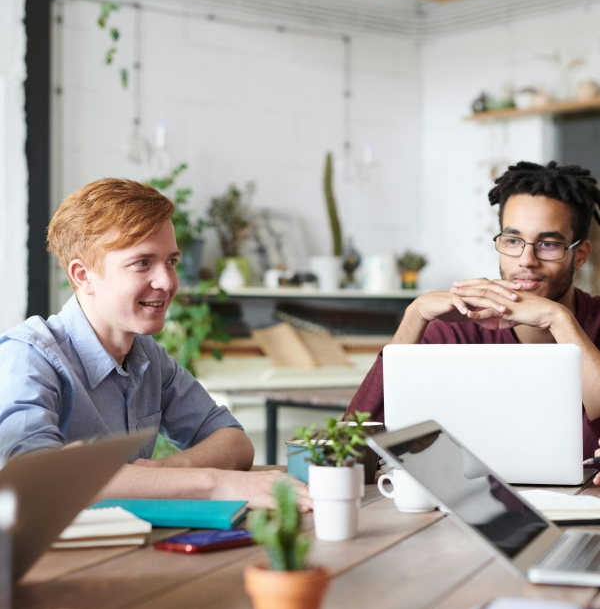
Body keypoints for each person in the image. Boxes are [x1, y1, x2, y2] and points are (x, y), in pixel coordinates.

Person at [0, 178, 310, 510]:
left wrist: (166, 472)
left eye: (171, 262)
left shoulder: (147, 356)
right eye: (142, 262)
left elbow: (233, 440)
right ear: (82, 275)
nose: (166, 282)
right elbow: (38, 478)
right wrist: (215, 484)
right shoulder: (28, 356)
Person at [346, 161, 600, 477]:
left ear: (581, 254)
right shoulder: (454, 329)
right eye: (512, 240)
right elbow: (351, 449)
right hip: (472, 512)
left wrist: (558, 319)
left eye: (548, 244)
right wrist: (414, 316)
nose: (526, 259)